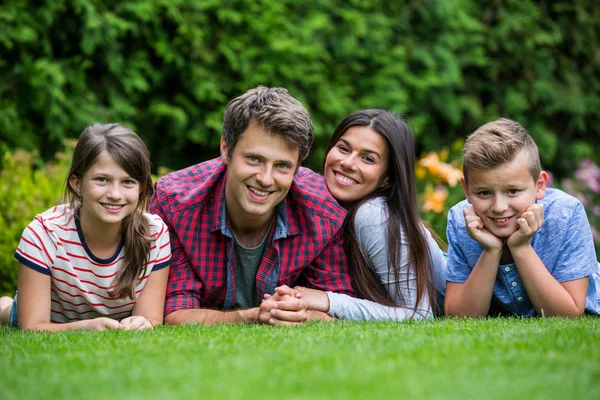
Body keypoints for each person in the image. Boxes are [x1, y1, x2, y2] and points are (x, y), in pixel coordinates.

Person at [148, 86, 353, 326]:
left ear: (297, 167)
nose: (266, 179)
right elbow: (174, 312)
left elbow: (339, 306)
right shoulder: (174, 204)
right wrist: (253, 316)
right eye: (254, 159)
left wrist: (299, 313)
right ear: (226, 148)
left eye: (282, 166)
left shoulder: (323, 212)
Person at [270, 109, 447, 321]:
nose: (348, 163)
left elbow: (418, 314)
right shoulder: (318, 205)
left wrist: (328, 300)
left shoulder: (374, 215)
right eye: (343, 148)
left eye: (368, 159)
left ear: (387, 178)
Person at [0, 123, 172, 331]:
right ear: (77, 183)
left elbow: (150, 318)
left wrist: (142, 323)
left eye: (128, 182)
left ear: (142, 186)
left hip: (109, 321)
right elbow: (32, 327)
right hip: (51, 316)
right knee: (10, 313)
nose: (115, 194)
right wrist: (87, 326)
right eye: (102, 180)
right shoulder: (44, 233)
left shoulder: (154, 234)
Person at [444, 118, 600, 317]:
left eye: (512, 191)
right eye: (484, 193)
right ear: (466, 189)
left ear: (540, 185)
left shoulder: (566, 213)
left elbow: (568, 315)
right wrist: (491, 251)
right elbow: (459, 318)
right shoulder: (461, 220)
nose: (499, 207)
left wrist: (521, 247)